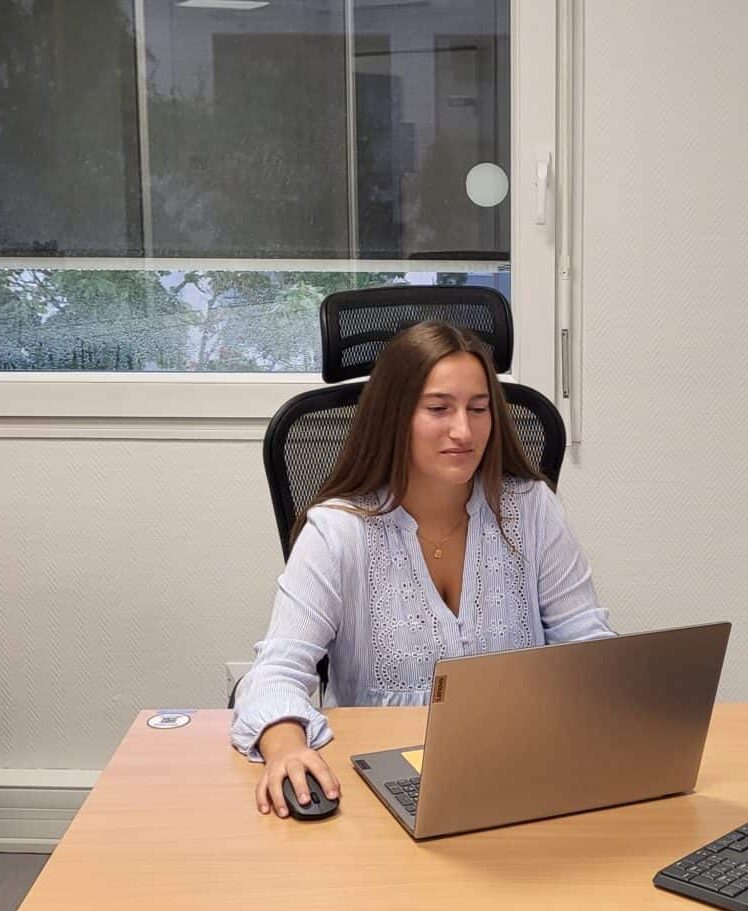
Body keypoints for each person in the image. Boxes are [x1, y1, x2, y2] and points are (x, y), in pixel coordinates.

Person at [231, 320, 614, 817]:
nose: (464, 430)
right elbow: (278, 670)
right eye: (438, 409)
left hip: (520, 778)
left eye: (479, 410)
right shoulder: (337, 531)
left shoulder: (531, 508)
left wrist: (621, 712)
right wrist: (286, 749)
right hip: (378, 790)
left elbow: (587, 641)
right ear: (395, 417)